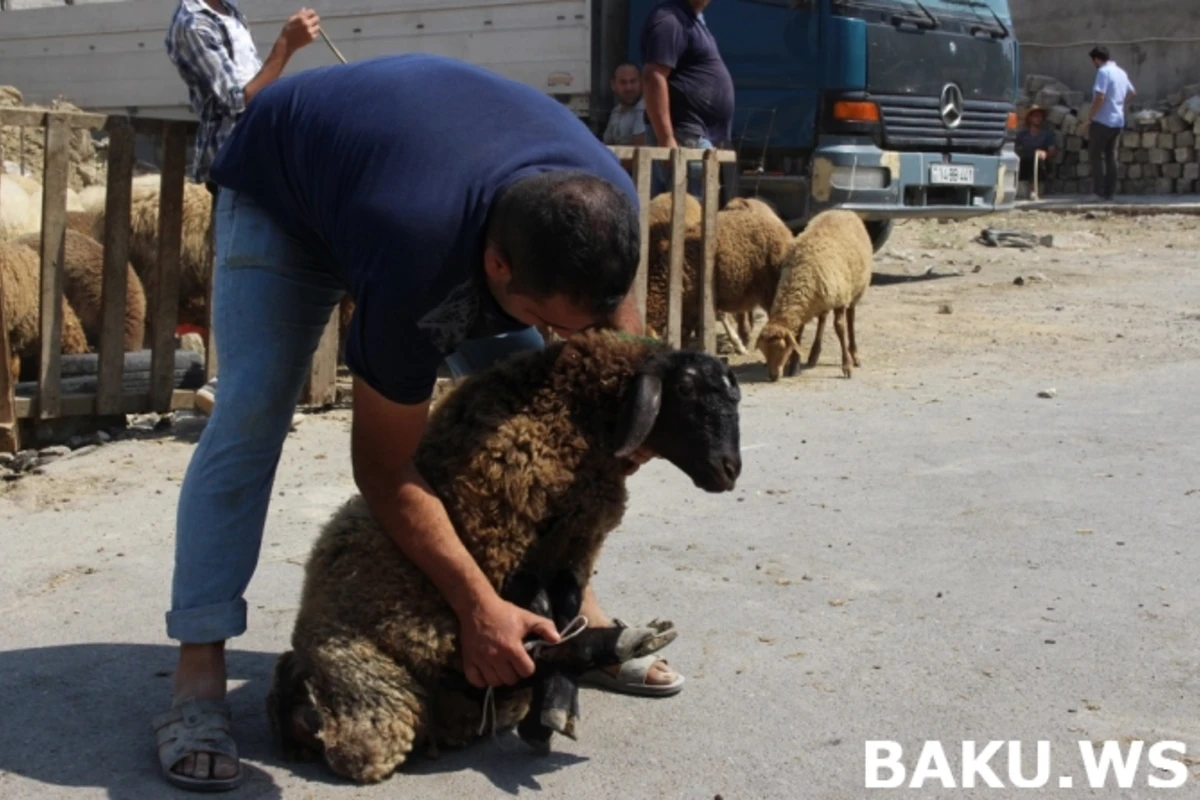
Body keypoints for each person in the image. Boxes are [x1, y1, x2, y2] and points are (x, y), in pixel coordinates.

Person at [151, 53, 684, 793]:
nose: (560, 341)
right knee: (250, 416)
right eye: (543, 320)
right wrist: (474, 607)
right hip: (289, 187)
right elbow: (383, 470)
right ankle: (197, 674)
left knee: (544, 423)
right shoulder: (416, 257)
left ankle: (576, 621)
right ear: (495, 268)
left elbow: (616, 357)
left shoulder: (604, 202)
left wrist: (631, 422)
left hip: (421, 166)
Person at [165, 0, 321, 194]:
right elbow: (236, 101)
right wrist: (286, 44)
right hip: (234, 163)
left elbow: (252, 79)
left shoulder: (228, 9)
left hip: (255, 154)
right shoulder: (193, 25)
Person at [639, 0, 735, 197]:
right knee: (687, 216)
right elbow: (653, 77)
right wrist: (666, 139)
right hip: (684, 136)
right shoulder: (670, 20)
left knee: (698, 216)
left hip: (696, 136)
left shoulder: (691, 20)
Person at [1080, 45, 1135, 202]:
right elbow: (1132, 92)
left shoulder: (1103, 72)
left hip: (1102, 121)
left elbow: (1100, 97)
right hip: (1117, 121)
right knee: (1111, 157)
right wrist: (1118, 104)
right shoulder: (1121, 72)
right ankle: (1109, 193)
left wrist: (1089, 118)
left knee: (1095, 155)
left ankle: (1098, 192)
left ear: (1097, 59)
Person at [1015, 105, 1058, 198]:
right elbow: (1016, 148)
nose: (1038, 118)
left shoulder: (1047, 134)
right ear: (1030, 118)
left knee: (1037, 161)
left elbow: (1053, 150)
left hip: (1040, 164)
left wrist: (1045, 153)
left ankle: (1034, 189)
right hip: (1025, 162)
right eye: (1035, 116)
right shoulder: (1022, 135)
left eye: (1040, 116)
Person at [603, 62, 648, 147]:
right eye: (623, 82)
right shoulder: (616, 111)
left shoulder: (644, 109)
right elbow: (607, 145)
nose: (628, 87)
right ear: (613, 85)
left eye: (633, 81)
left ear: (641, 82)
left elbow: (639, 151)